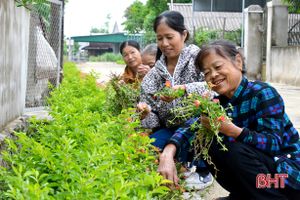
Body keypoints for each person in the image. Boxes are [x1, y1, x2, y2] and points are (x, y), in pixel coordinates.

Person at [160, 39, 300, 199]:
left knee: (231, 148)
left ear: (238, 62)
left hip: (284, 178)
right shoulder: (217, 103)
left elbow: (273, 144)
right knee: (208, 142)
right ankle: (247, 194)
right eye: (206, 72)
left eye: (218, 67)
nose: (213, 75)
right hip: (260, 181)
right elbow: (190, 128)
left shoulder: (263, 93)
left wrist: (232, 131)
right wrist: (168, 154)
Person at [137, 10, 213, 189]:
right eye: (159, 38)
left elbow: (215, 86)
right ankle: (180, 165)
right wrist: (146, 113)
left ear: (184, 34)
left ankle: (203, 171)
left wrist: (185, 89)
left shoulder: (199, 59)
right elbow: (153, 117)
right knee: (149, 146)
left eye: (169, 37)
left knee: (199, 123)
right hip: (170, 128)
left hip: (200, 125)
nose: (164, 43)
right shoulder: (154, 74)